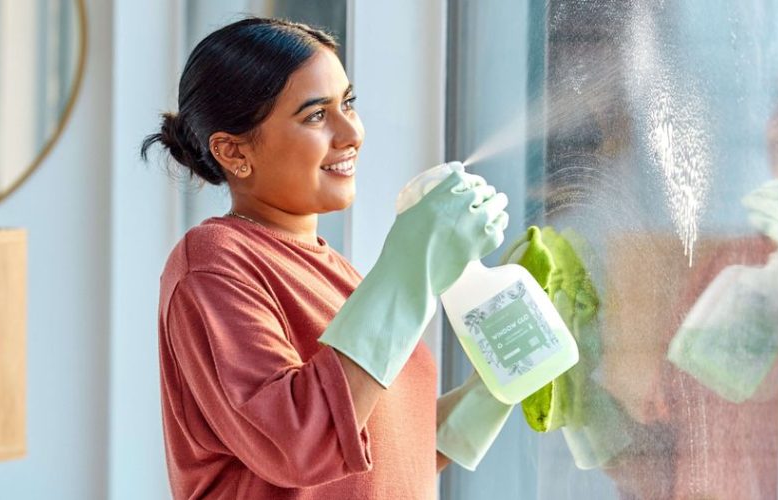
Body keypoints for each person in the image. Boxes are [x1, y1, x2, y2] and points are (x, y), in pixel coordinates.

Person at [145, 17, 515, 499]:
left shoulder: (338, 274)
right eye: (316, 115)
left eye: (349, 103)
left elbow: (370, 461)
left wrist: (489, 394)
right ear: (233, 151)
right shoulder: (212, 263)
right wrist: (410, 265)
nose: (351, 133)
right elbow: (301, 441)